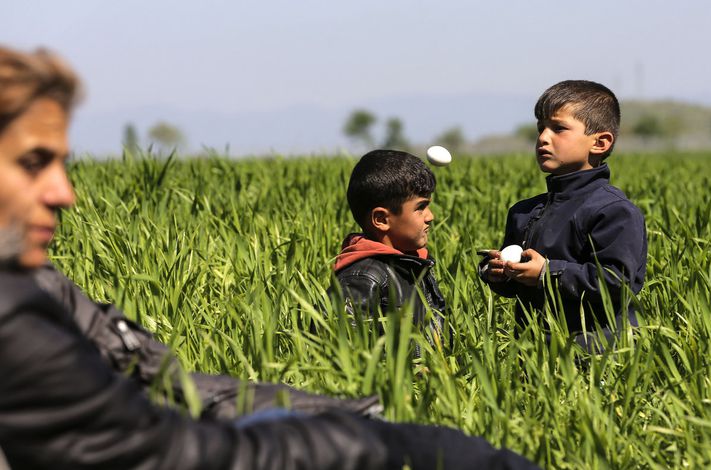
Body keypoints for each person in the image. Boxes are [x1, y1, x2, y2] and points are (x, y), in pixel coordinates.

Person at [0, 45, 538, 469]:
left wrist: (326, 412)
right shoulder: (14, 315)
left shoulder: (37, 286)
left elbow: (167, 384)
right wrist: (368, 444)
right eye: (32, 162)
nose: (62, 192)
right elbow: (164, 454)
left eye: (61, 164)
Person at [480, 80, 647, 350]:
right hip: (533, 356)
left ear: (600, 143)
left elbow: (617, 282)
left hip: (596, 357)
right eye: (540, 128)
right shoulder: (524, 211)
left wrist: (548, 272)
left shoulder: (614, 211)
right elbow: (517, 288)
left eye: (559, 128)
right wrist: (498, 272)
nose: (543, 138)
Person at [330, 149, 447, 347]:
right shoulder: (362, 278)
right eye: (420, 207)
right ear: (381, 219)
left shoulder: (414, 263)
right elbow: (345, 348)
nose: (430, 216)